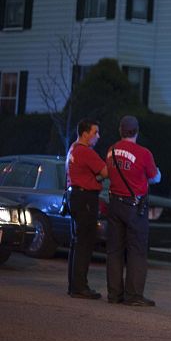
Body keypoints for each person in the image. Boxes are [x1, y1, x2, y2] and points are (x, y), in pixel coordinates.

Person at [105, 115, 161, 307]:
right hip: (134, 207)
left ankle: (114, 294)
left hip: (114, 204)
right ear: (136, 131)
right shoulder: (144, 153)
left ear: (120, 130)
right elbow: (154, 177)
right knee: (137, 251)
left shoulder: (110, 150)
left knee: (114, 251)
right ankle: (134, 295)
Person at [66, 118, 108, 299]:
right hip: (86, 199)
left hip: (74, 196)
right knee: (85, 242)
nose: (98, 136)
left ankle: (74, 284)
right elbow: (106, 172)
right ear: (85, 133)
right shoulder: (86, 152)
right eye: (95, 132)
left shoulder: (72, 149)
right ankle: (80, 287)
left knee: (77, 242)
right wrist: (97, 180)